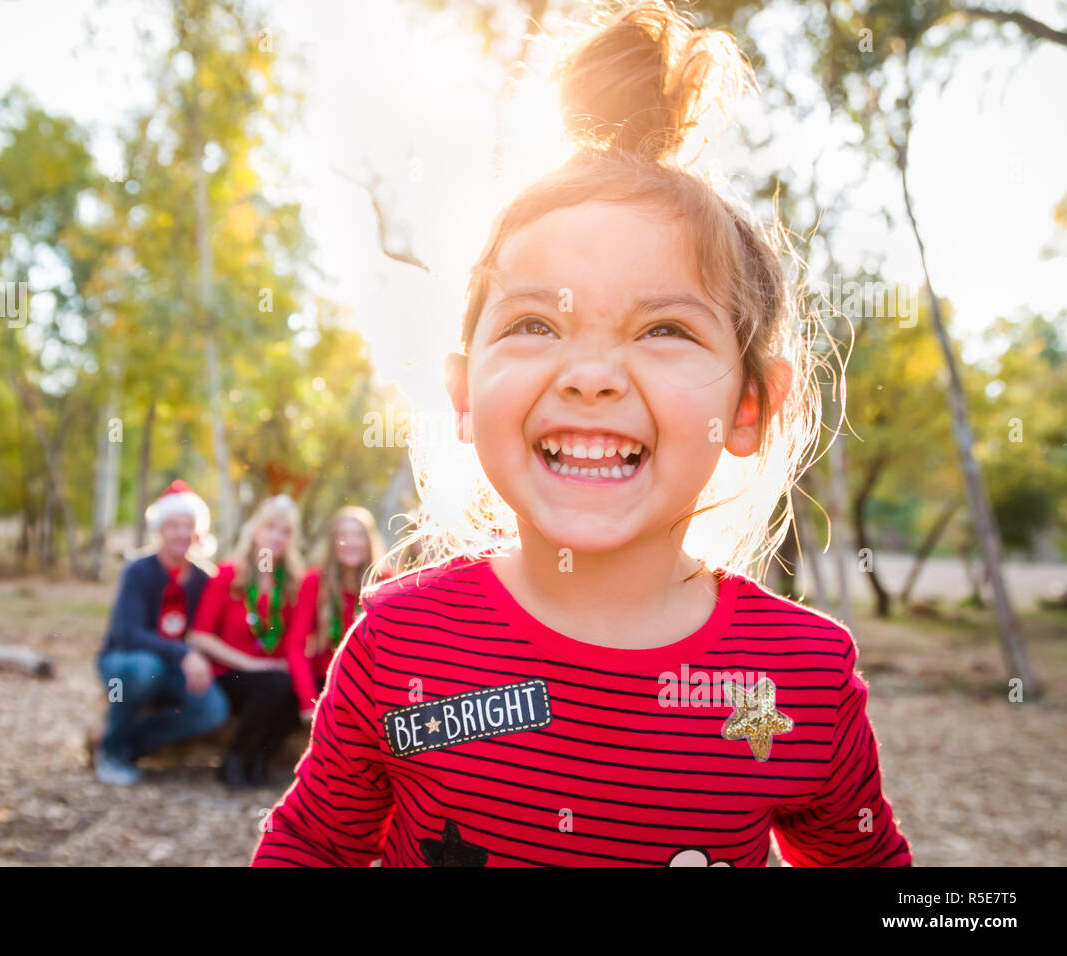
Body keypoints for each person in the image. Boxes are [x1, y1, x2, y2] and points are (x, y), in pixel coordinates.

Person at [252, 0, 912, 866]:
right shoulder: (399, 644)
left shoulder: (801, 677)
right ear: (462, 390)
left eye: (664, 329)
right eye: (535, 324)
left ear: (750, 407)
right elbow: (310, 851)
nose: (591, 374)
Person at [94, 480, 230, 786]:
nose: (182, 533)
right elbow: (127, 634)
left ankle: (128, 744)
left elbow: (207, 630)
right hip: (124, 660)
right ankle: (110, 753)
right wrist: (183, 653)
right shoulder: (138, 571)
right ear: (159, 530)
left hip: (175, 668)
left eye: (188, 526)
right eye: (173, 525)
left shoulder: (204, 578)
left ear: (198, 532)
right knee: (145, 668)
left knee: (212, 710)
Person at [190, 494, 308, 789]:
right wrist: (253, 664)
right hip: (230, 673)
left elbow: (298, 639)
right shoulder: (230, 575)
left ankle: (260, 758)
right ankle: (234, 757)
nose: (277, 537)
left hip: (274, 674)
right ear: (256, 530)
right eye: (271, 527)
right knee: (275, 684)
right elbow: (199, 634)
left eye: (286, 531)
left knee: (298, 690)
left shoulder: (292, 584)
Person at [285, 506, 394, 724]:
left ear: (369, 540)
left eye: (358, 535)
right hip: (327, 684)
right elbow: (295, 645)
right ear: (333, 542)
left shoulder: (387, 582)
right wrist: (309, 702)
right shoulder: (315, 582)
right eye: (343, 536)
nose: (350, 542)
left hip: (371, 685)